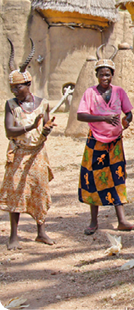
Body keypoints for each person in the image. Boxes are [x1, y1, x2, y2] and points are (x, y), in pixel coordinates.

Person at [77, 45, 134, 235]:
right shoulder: (90, 93)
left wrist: (126, 121)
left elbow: (129, 113)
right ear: (97, 75)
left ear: (112, 75)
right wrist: (103, 118)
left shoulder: (119, 92)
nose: (105, 78)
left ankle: (122, 220)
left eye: (108, 75)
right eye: (102, 75)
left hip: (115, 142)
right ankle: (93, 221)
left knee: (117, 177)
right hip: (95, 141)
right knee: (94, 177)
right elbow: (81, 115)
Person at [0, 40, 57, 250]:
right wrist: (30, 126)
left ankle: (41, 232)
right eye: (12, 87)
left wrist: (45, 130)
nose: (15, 90)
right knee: (16, 190)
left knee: (40, 190)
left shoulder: (42, 103)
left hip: (37, 154)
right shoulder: (10, 105)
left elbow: (45, 129)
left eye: (18, 86)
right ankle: (13, 235)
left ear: (28, 85)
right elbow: (8, 131)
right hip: (19, 153)